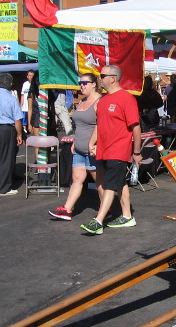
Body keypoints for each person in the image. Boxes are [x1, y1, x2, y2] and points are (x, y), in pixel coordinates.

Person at [80, 65, 142, 235]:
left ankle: (98, 221)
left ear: (113, 78)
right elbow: (100, 125)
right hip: (104, 149)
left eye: (102, 75)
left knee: (110, 184)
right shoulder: (103, 100)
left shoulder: (126, 98)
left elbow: (135, 127)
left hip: (119, 149)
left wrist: (136, 152)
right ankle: (127, 216)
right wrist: (92, 143)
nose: (99, 78)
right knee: (120, 182)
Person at [49, 73, 103, 220]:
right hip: (79, 148)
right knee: (77, 179)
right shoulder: (82, 101)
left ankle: (106, 209)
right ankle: (67, 209)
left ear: (94, 84)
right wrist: (74, 141)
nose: (82, 85)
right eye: (80, 83)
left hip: (92, 150)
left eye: (85, 83)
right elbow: (78, 126)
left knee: (99, 181)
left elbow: (102, 126)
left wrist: (95, 144)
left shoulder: (99, 102)